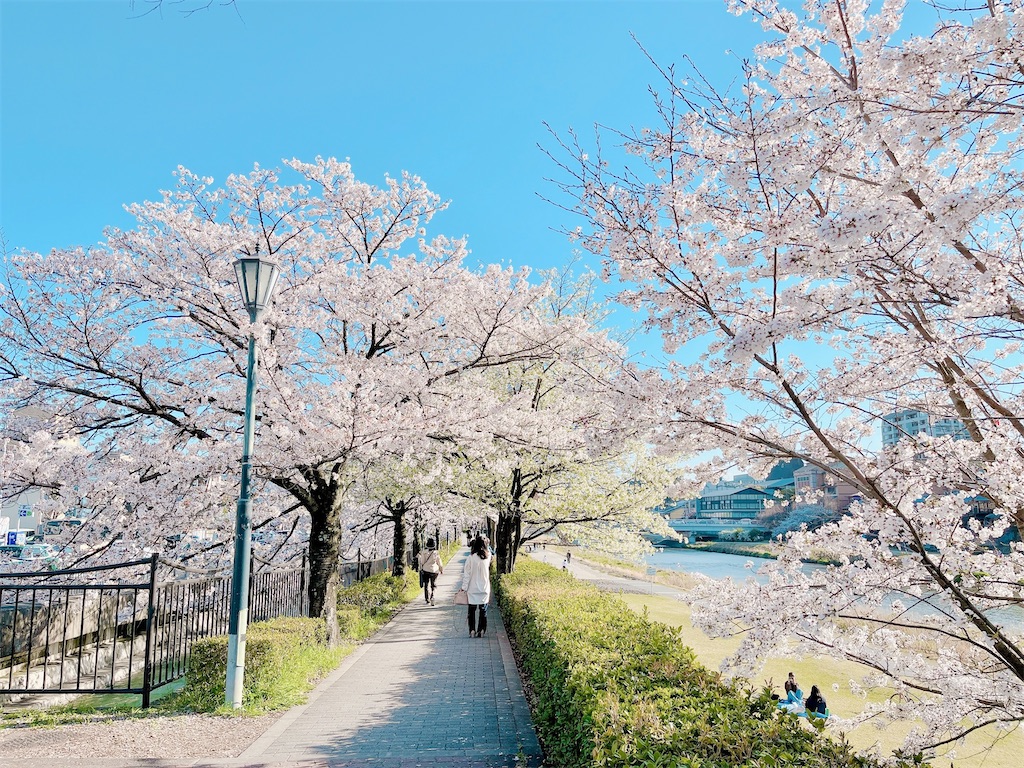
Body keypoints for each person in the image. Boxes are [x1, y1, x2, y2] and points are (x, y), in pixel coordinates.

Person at [462, 535, 491, 638]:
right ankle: (482, 630)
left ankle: (472, 630)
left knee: (472, 610)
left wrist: (464, 588)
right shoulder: (488, 556)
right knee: (483, 610)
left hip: (472, 588)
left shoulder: (470, 558)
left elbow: (467, 574)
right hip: (484, 588)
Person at [417, 537, 443, 605]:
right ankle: (433, 596)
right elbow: (439, 562)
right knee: (433, 584)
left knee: (426, 584)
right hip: (434, 570)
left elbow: (422, 562)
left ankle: (427, 599)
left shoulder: (424, 552)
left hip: (426, 570)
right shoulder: (436, 553)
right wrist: (441, 569)